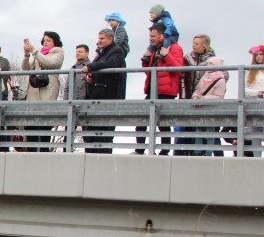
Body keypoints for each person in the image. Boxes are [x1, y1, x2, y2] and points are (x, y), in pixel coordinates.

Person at [133, 24, 184, 155]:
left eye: (153, 36)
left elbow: (178, 69)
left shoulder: (175, 48)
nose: (150, 39)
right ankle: (139, 150)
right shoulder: (154, 49)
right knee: (142, 120)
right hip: (152, 90)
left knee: (162, 122)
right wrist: (145, 61)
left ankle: (164, 151)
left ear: (162, 36)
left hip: (166, 91)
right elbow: (149, 72)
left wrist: (166, 55)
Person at [82, 28, 127, 153]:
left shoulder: (117, 51)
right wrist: (91, 76)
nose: (99, 41)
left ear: (110, 39)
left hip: (108, 99)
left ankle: (102, 161)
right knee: (90, 132)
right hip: (96, 98)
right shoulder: (103, 52)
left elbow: (111, 64)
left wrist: (90, 67)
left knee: (104, 134)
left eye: (102, 39)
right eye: (98, 39)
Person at [21, 31, 65, 151]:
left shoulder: (59, 52)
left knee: (44, 125)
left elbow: (51, 62)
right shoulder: (38, 53)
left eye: (48, 40)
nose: (45, 42)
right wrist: (26, 56)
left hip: (47, 91)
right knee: (31, 126)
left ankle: (44, 153)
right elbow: (25, 68)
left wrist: (35, 52)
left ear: (55, 42)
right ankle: (31, 153)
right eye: (44, 40)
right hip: (34, 91)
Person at [189, 56, 227, 157]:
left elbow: (219, 97)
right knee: (198, 131)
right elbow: (198, 89)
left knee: (210, 132)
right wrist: (195, 96)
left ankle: (207, 153)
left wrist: (203, 99)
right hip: (200, 109)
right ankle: (197, 152)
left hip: (211, 110)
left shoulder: (220, 81)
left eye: (211, 64)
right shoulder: (204, 77)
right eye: (208, 63)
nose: (208, 65)